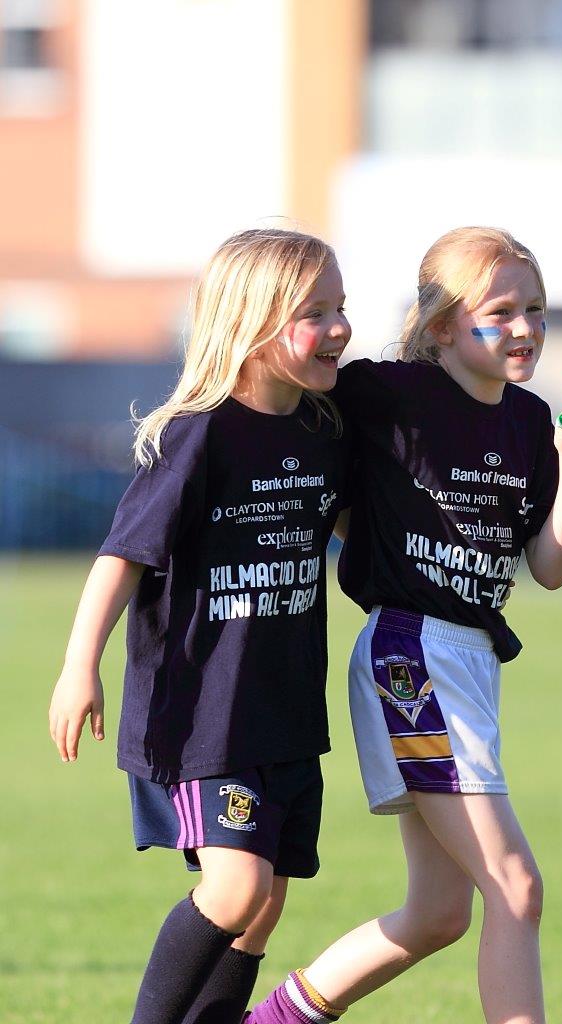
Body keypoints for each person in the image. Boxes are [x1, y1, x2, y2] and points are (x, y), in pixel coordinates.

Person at [244, 226, 562, 1024]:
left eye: (536, 309)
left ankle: (269, 1019)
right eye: (501, 310)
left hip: (472, 665)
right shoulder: (388, 392)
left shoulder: (528, 421)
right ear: (441, 324)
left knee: (440, 913)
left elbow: (548, 567)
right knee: (517, 887)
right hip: (410, 654)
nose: (525, 328)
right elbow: (293, 395)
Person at [48, 227, 352, 1024]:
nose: (339, 328)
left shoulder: (324, 434)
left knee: (263, 908)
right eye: (314, 313)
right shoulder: (199, 433)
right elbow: (122, 557)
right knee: (235, 886)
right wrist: (81, 667)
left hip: (284, 713)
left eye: (341, 308)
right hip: (203, 717)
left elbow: (357, 529)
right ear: (250, 325)